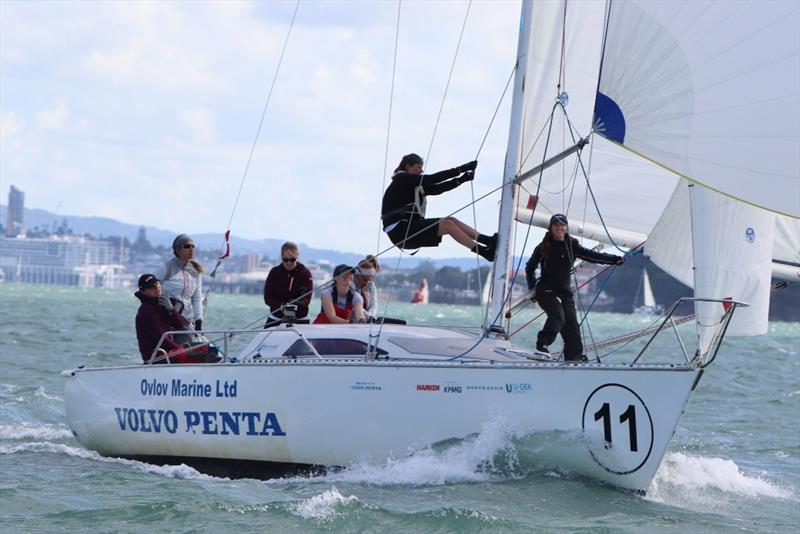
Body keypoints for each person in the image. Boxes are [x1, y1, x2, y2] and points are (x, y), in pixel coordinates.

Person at [525, 214, 624, 362]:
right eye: (556, 225)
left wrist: (613, 259)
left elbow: (592, 256)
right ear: (551, 228)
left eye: (562, 225)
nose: (559, 228)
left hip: (564, 292)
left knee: (572, 328)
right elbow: (530, 267)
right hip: (546, 290)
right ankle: (542, 344)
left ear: (566, 228)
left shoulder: (571, 245)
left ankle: (574, 359)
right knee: (558, 316)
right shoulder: (543, 247)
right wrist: (532, 288)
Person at [381, 153, 497, 261]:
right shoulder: (402, 179)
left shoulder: (413, 185)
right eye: (418, 167)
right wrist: (460, 169)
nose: (421, 171)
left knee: (451, 220)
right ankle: (484, 252)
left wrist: (461, 180)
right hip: (400, 232)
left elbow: (437, 189)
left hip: (408, 228)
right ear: (407, 166)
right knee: (448, 225)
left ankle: (487, 240)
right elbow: (432, 178)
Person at [134, 274, 217, 364]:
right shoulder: (146, 310)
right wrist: (178, 348)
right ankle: (205, 376)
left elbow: (179, 325)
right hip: (157, 356)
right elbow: (158, 336)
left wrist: (171, 310)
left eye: (157, 283)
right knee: (205, 356)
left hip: (169, 351)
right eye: (151, 287)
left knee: (210, 349)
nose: (157, 287)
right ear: (143, 292)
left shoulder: (161, 304)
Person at [159, 234, 204, 332]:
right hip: (166, 320)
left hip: (186, 321)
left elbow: (197, 297)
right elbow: (150, 289)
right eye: (187, 246)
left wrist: (198, 319)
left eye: (193, 246)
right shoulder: (166, 267)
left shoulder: (196, 271)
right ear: (177, 250)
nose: (191, 249)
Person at [263, 241, 313, 327]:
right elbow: (267, 297)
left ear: (297, 257)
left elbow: (307, 298)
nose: (289, 263)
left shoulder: (305, 273)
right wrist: (281, 305)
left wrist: (297, 304)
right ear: (281, 257)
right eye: (285, 260)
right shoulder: (274, 272)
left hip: (300, 318)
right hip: (277, 317)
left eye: (292, 259)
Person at [353, 255, 380, 320]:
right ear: (357, 275)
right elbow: (354, 306)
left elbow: (374, 305)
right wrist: (368, 317)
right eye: (365, 280)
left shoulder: (371, 285)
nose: (367, 283)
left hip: (367, 321)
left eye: (369, 280)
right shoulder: (349, 285)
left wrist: (370, 317)